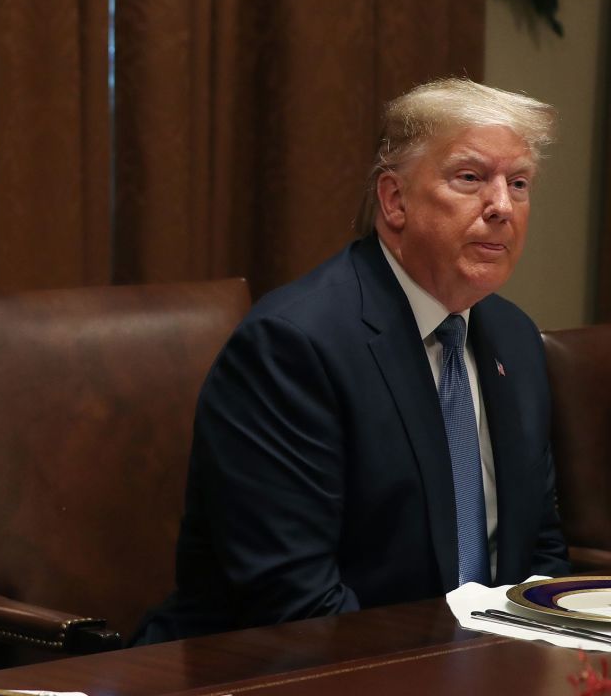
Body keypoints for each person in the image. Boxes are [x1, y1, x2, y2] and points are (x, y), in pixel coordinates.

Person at [136, 77, 571, 643]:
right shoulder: (292, 347)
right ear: (394, 201)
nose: (501, 206)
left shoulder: (512, 337)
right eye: (470, 178)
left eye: (519, 183)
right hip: (289, 671)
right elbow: (294, 602)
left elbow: (539, 551)